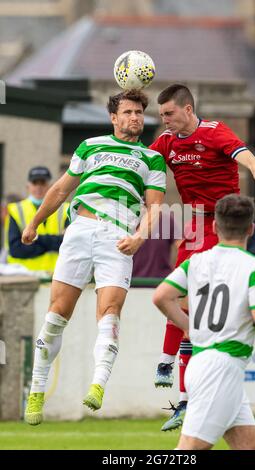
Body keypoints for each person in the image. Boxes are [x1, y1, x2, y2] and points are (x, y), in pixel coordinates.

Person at [21, 89, 166, 426]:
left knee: (110, 313)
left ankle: (98, 384)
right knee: (56, 315)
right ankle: (37, 390)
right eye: (128, 112)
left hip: (118, 237)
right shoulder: (90, 146)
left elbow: (156, 205)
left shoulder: (151, 158)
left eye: (139, 113)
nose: (134, 118)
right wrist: (34, 222)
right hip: (81, 229)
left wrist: (140, 237)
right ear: (113, 117)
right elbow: (60, 189)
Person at [149, 84, 255, 431]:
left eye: (169, 114)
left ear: (188, 110)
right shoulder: (166, 142)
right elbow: (142, 164)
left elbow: (242, 154)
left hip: (223, 223)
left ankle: (185, 391)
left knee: (194, 301)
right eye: (161, 115)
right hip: (193, 222)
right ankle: (172, 374)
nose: (164, 121)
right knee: (181, 297)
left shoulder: (214, 131)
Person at [153, 194, 255, 450]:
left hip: (202, 361)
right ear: (251, 228)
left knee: (248, 447)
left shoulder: (195, 261)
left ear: (215, 227)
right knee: (188, 451)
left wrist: (187, 326)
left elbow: (162, 296)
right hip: (222, 367)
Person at [5, 167, 69, 273]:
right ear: (28, 186)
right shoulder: (16, 210)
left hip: (57, 274)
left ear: (50, 186)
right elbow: (15, 249)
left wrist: (37, 239)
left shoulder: (65, 209)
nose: (39, 187)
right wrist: (52, 243)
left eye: (43, 183)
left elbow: (68, 243)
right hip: (25, 276)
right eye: (35, 183)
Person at [132, 210, 180, 285]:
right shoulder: (129, 220)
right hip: (131, 285)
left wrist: (178, 275)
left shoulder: (166, 220)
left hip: (161, 284)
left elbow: (182, 248)